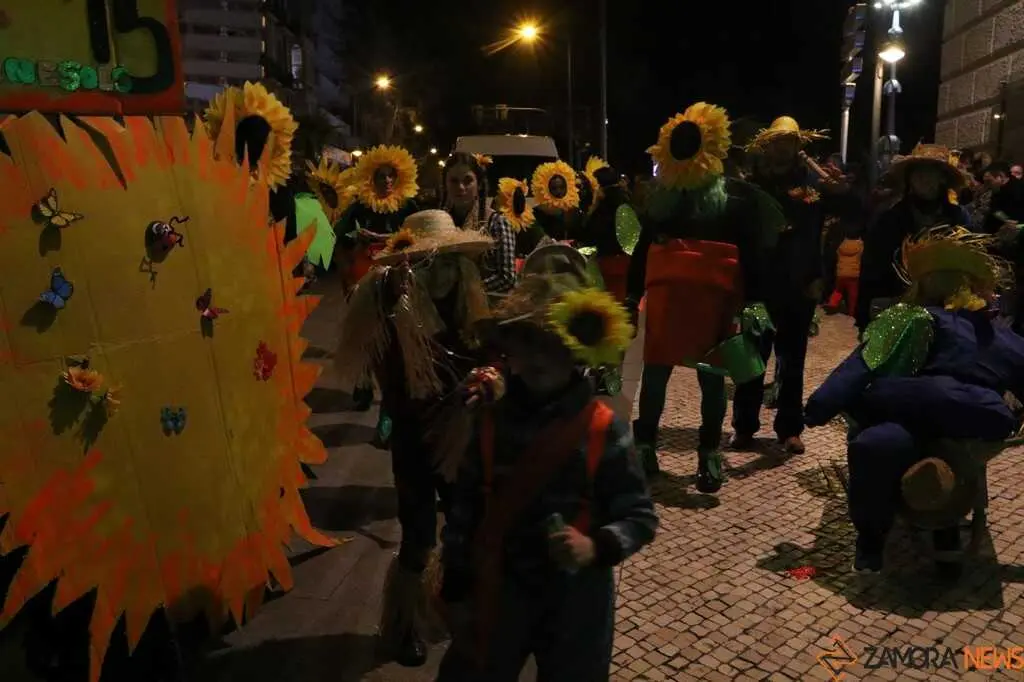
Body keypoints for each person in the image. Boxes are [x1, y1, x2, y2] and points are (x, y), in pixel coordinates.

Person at [435, 254, 657, 681]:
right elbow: (463, 508)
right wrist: (456, 586)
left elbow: (639, 516)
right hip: (500, 590)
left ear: (577, 349)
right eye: (527, 340)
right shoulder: (490, 422)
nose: (539, 357)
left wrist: (596, 546)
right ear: (510, 346)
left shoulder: (603, 429)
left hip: (577, 600)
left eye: (553, 342)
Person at [806, 227, 1024, 578]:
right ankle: (946, 522)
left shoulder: (907, 316)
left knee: (876, 446)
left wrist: (819, 407)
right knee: (959, 454)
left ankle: (872, 539)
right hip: (968, 420)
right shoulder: (995, 331)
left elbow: (863, 364)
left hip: (903, 412)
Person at [333, 210, 492, 666]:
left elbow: (480, 345)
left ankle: (448, 606)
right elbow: (372, 355)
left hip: (459, 425)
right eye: (429, 258)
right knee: (419, 534)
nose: (438, 266)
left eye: (444, 257)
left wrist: (486, 379)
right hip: (413, 431)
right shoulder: (386, 292)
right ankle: (402, 626)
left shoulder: (465, 282)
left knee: (466, 525)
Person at [626, 102, 783, 491]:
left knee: (710, 378)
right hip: (672, 296)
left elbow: (752, 252)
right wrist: (631, 296)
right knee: (659, 374)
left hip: (715, 298)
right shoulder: (663, 199)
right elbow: (644, 247)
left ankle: (708, 451)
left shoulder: (735, 200)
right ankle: (646, 444)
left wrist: (754, 300)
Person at [731, 116, 833, 455]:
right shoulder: (752, 185)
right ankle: (744, 427)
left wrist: (819, 276)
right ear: (767, 146)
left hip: (799, 286)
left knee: (793, 361)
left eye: (789, 141)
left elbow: (823, 234)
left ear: (797, 146)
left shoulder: (813, 186)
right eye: (777, 141)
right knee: (752, 359)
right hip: (759, 285)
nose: (783, 147)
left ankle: (790, 428)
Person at [335, 145, 420, 432]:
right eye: (381, 176)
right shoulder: (360, 205)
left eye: (390, 176)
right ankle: (363, 381)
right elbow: (342, 234)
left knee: (392, 340)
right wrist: (357, 238)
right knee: (366, 335)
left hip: (396, 280)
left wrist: (389, 240)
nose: (386, 181)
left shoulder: (408, 206)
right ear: (371, 178)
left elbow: (420, 236)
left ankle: (388, 406)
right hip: (363, 277)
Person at [855, 144, 971, 332]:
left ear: (942, 179)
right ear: (910, 179)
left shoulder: (958, 218)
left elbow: (971, 261)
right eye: (919, 173)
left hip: (948, 314)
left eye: (932, 173)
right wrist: (865, 317)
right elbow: (871, 269)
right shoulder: (890, 218)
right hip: (897, 311)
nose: (925, 180)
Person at [440, 153, 517, 301]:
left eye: (468, 180)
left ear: (479, 184)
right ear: (445, 184)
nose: (460, 187)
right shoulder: (438, 224)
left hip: (486, 312)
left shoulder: (496, 222)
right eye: (454, 181)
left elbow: (507, 278)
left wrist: (465, 290)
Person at [826, 230, 863, 316]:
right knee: (852, 295)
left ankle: (832, 304)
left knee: (838, 290)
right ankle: (851, 312)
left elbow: (836, 252)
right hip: (854, 275)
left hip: (841, 273)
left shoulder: (841, 245)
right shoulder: (860, 245)